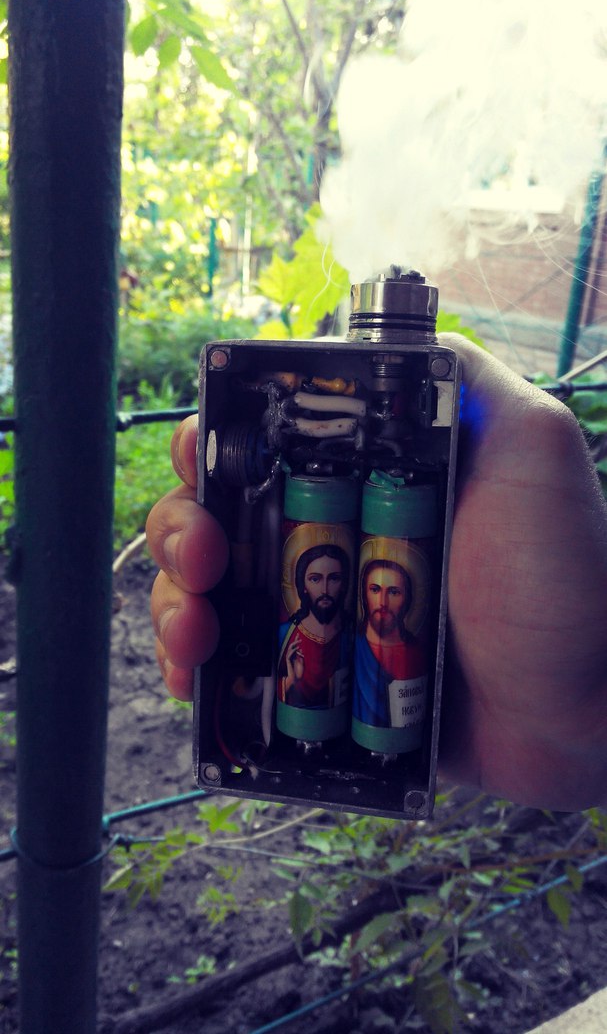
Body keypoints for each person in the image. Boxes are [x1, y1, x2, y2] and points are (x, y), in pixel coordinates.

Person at [146, 334, 607, 811]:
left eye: (390, 589)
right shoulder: (292, 640)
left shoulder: (398, 647)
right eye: (316, 580)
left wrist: (586, 719)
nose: (331, 591)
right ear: (303, 584)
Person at [353, 559, 426, 727]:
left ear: (406, 600)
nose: (382, 602)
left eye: (394, 592)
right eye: (375, 590)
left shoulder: (416, 655)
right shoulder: (354, 646)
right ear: (364, 595)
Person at [277, 544, 350, 708]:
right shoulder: (286, 633)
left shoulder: (348, 633)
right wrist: (290, 680)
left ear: (344, 584)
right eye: (315, 579)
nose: (324, 590)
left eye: (334, 578)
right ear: (303, 585)